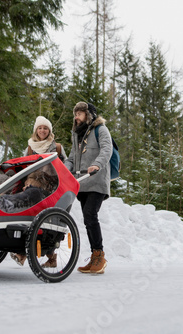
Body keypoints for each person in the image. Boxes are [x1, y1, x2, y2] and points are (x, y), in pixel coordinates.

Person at [64, 102, 112, 274]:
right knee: (87, 218)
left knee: (90, 214)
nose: (76, 116)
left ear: (89, 114)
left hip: (97, 181)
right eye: (75, 113)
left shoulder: (101, 129)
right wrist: (64, 168)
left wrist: (97, 165)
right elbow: (71, 157)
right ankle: (94, 257)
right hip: (82, 183)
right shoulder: (77, 135)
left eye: (80, 113)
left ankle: (100, 257)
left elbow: (107, 149)